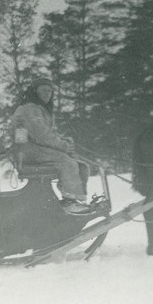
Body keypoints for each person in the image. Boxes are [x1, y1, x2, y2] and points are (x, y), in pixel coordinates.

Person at [11, 78, 90, 214]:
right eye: (44, 90)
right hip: (28, 150)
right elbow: (41, 134)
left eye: (50, 91)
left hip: (34, 149)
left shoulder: (38, 109)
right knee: (66, 162)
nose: (48, 93)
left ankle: (74, 199)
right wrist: (63, 146)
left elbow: (47, 133)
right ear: (35, 91)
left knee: (81, 165)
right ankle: (69, 202)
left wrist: (62, 140)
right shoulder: (30, 109)